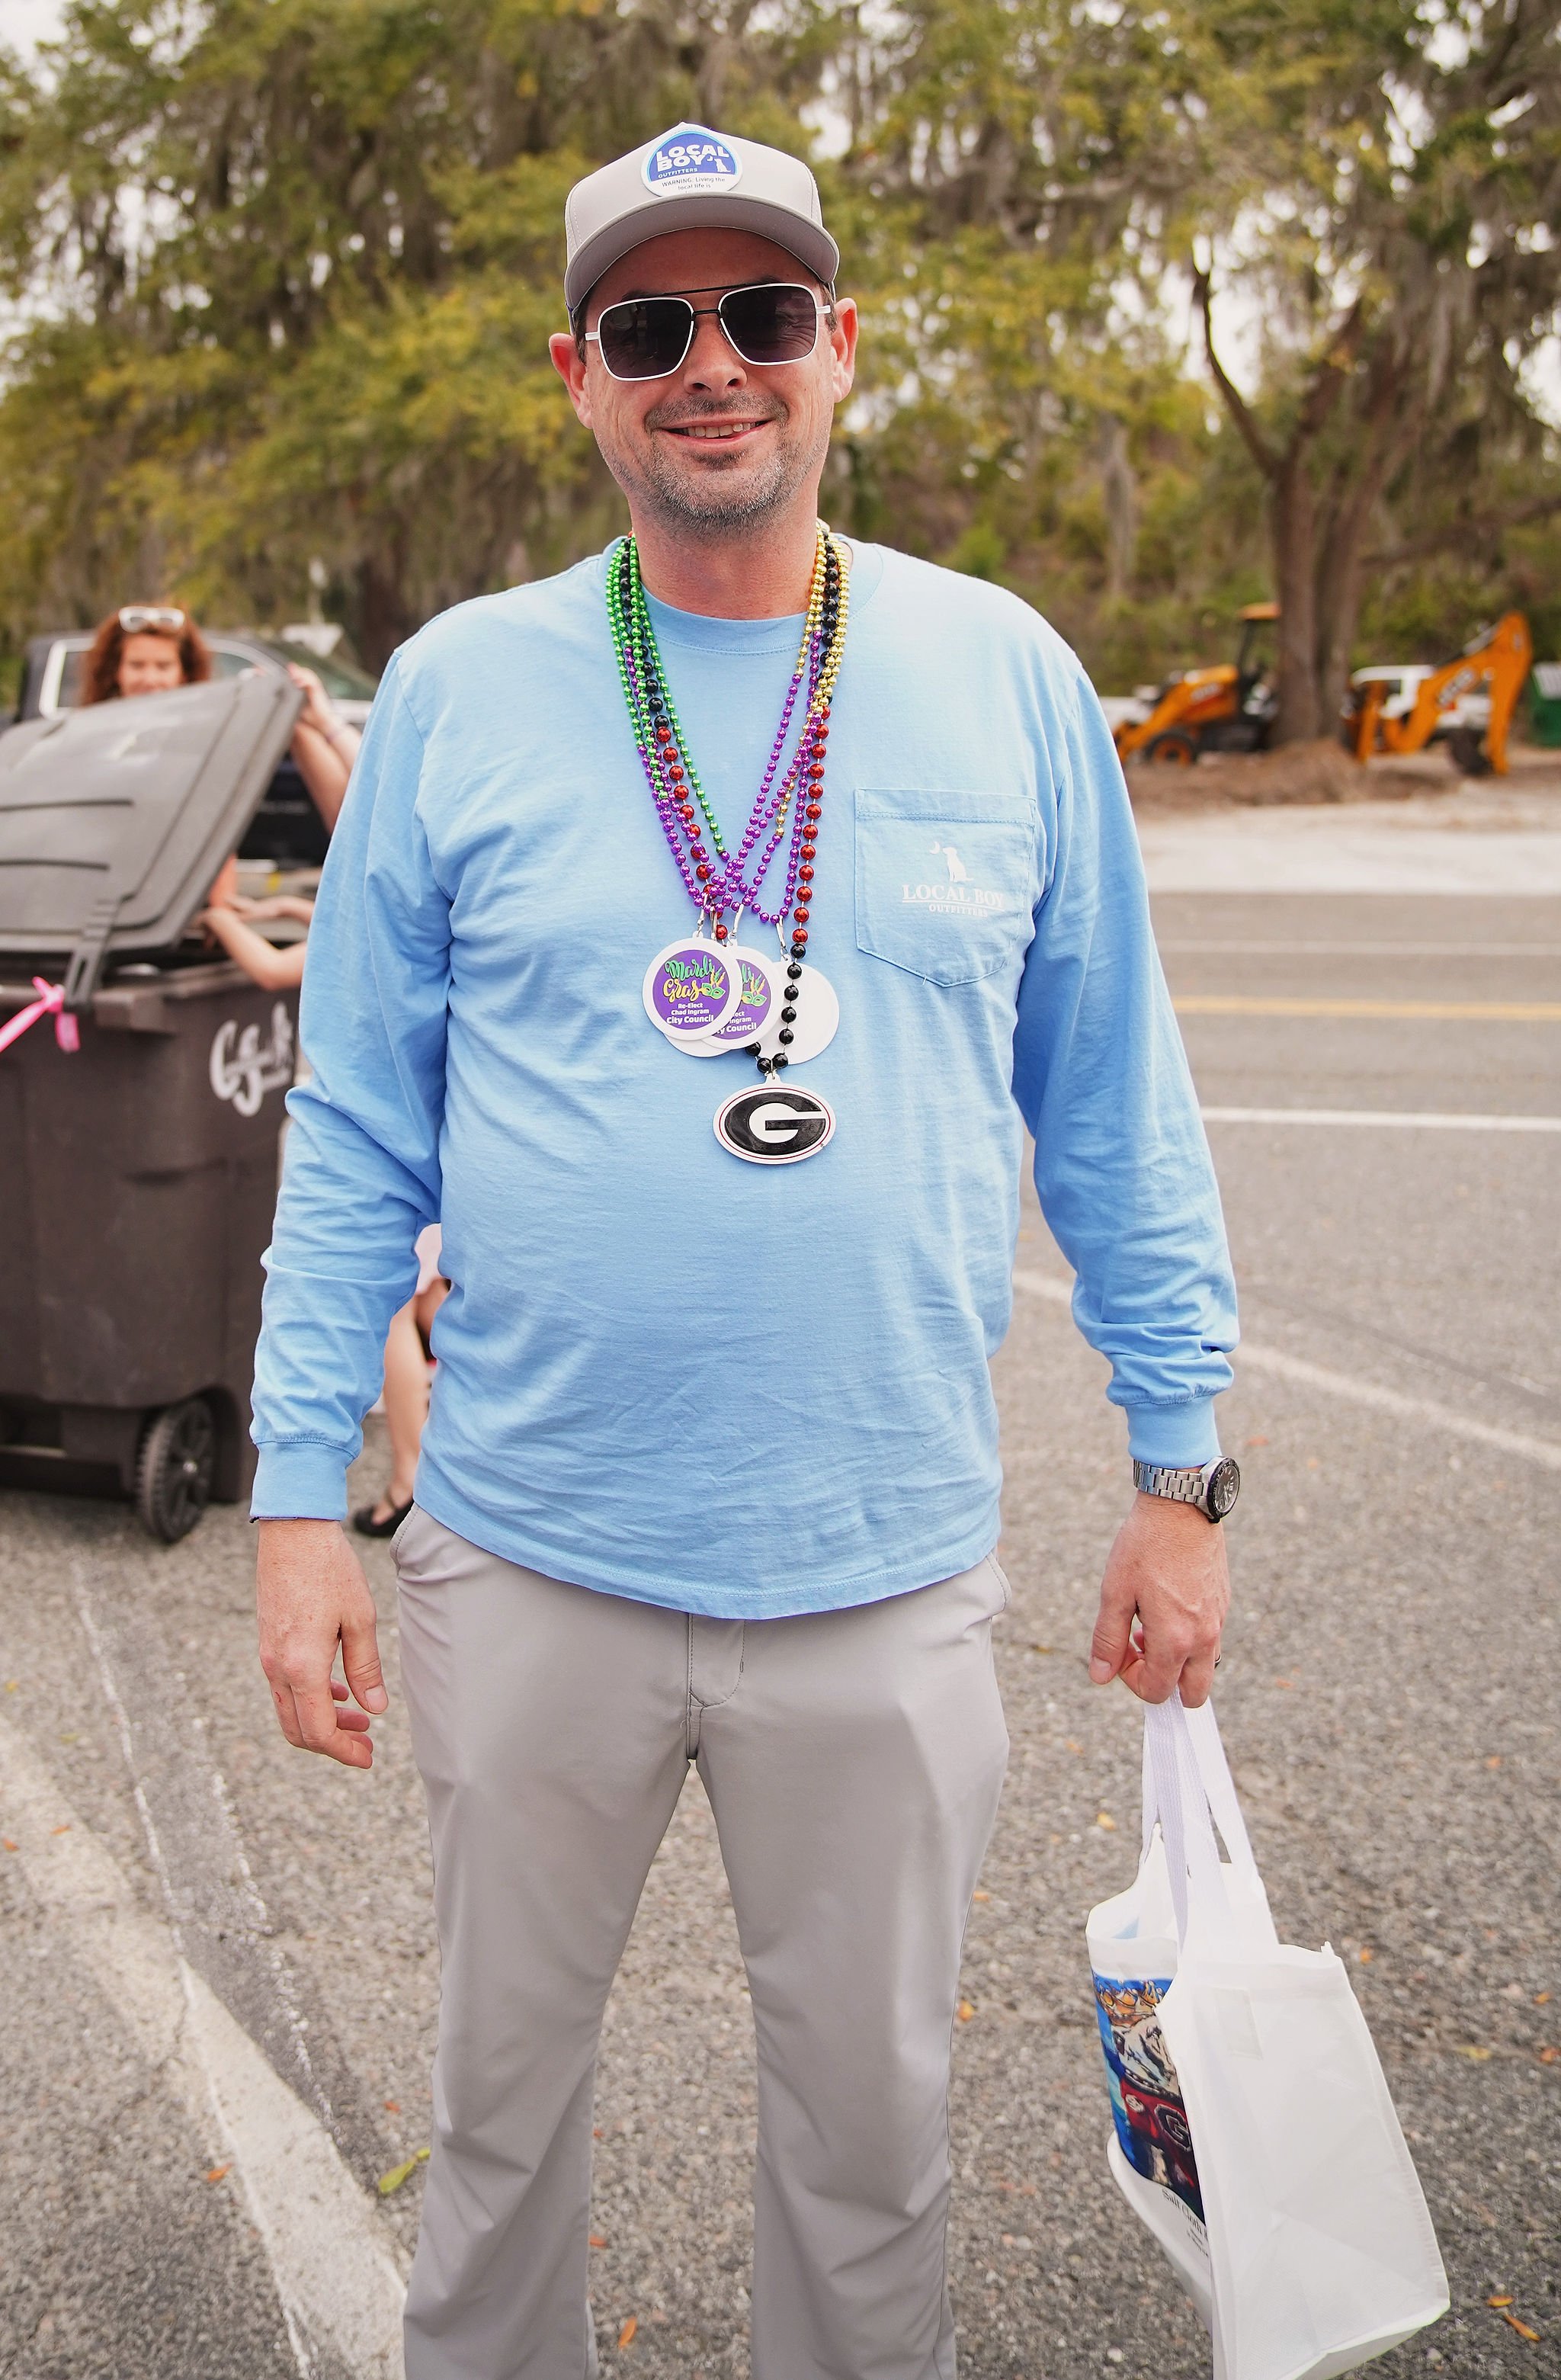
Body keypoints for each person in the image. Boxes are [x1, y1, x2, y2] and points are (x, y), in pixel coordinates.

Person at [250, 123, 1239, 2380]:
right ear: (580, 381)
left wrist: (1180, 1469)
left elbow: (1109, 1099)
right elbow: (355, 1119)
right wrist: (299, 1491)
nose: (713, 365)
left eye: (759, 316)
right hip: (530, 1558)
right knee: (489, 2138)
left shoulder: (999, 673)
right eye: (651, 326)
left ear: (838, 351)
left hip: (882, 1577)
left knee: (872, 2147)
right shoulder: (459, 691)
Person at [82, 601, 212, 701]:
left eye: (163, 666)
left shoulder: (207, 733)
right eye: (137, 665)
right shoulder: (89, 731)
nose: (150, 680)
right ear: (115, 671)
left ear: (184, 675)